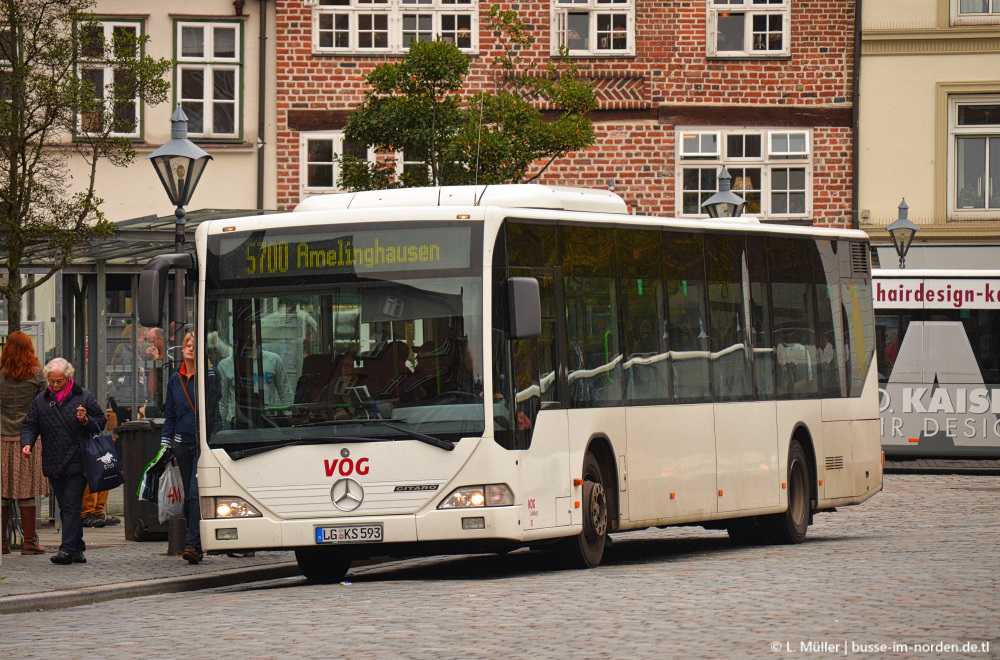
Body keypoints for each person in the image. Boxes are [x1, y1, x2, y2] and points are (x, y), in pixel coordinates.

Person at [20, 358, 106, 565]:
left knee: (70, 506)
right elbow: (30, 424)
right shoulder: (41, 400)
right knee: (66, 506)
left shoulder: (84, 396)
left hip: (78, 461)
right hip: (53, 462)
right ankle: (78, 548)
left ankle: (66, 550)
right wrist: (27, 443)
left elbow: (100, 422)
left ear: (68, 378)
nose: (55, 385)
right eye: (52, 381)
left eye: (59, 381)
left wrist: (86, 420)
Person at [160, 333, 220, 565]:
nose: (190, 349)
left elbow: (215, 408)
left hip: (203, 444)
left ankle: (193, 544)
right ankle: (196, 541)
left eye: (195, 346)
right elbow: (171, 414)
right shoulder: (176, 379)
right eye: (187, 345)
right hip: (182, 443)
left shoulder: (210, 376)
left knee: (195, 494)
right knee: (187, 496)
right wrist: (166, 444)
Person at [0, 331, 49, 555]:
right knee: (27, 491)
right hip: (28, 441)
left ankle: (2, 542)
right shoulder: (38, 376)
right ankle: (29, 542)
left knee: (2, 491)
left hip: (2, 439)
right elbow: (46, 407)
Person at [80, 406, 121, 528]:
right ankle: (88, 512)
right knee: (93, 475)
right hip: (83, 442)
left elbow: (101, 419)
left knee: (104, 472)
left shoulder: (85, 398)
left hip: (90, 439)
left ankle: (97, 511)